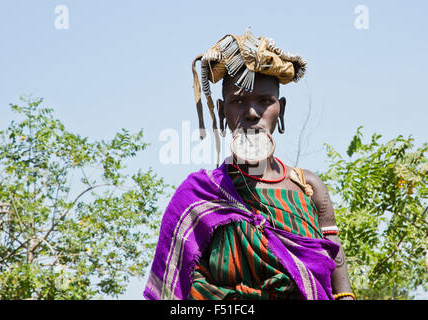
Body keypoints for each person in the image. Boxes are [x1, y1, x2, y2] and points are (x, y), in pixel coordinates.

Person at [144, 30, 354, 300]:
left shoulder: (308, 187)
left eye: (265, 101)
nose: (253, 113)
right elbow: (173, 290)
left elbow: (335, 264)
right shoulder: (198, 195)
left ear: (282, 111)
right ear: (222, 112)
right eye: (238, 101)